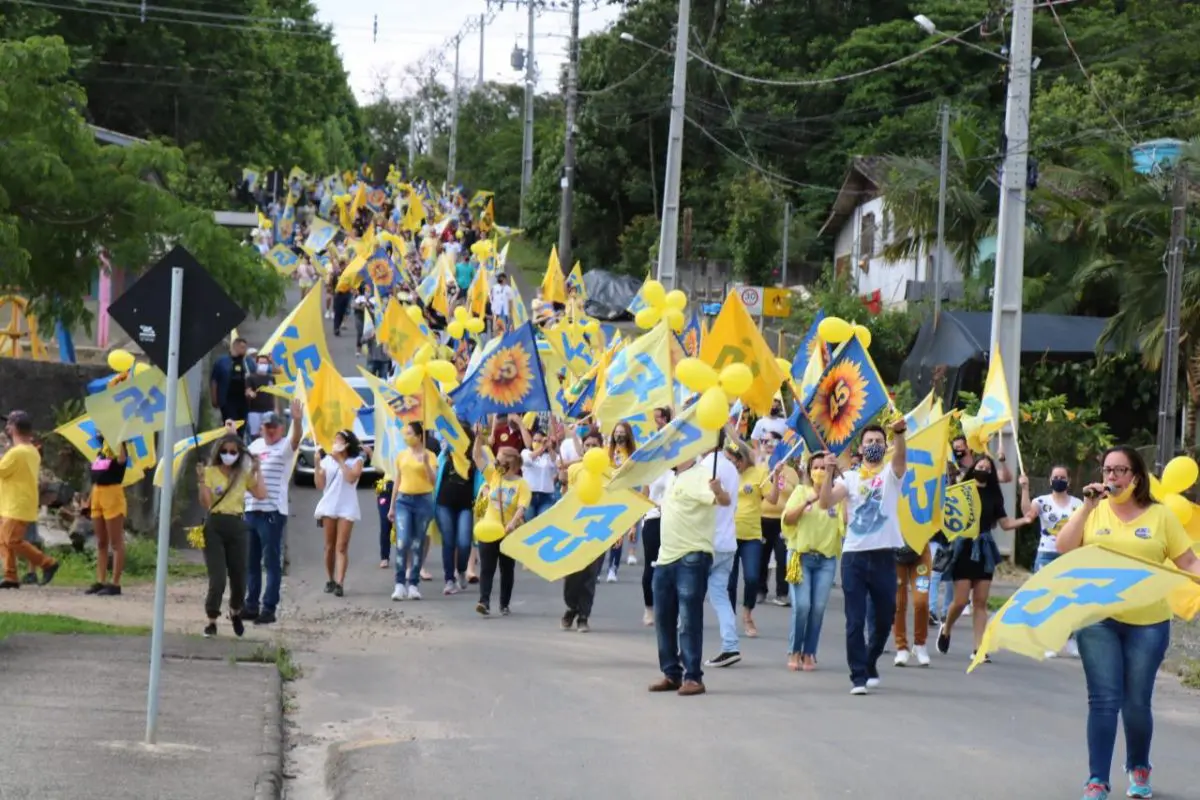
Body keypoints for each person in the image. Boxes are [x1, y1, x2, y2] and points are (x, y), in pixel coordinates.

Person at [1055, 446, 1200, 800]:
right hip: (1097, 619)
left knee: (1136, 702)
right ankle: (1097, 780)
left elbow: (1188, 562)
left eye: (1120, 471)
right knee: (1103, 699)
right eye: (1107, 470)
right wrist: (1087, 507)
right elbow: (1063, 547)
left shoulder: (1161, 517)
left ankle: (1139, 766)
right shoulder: (1092, 510)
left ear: (1137, 478)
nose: (1112, 477)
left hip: (1148, 623)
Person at [817, 420, 907, 695]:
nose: (874, 446)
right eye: (869, 442)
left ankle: (869, 660)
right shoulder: (851, 478)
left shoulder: (892, 475)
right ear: (861, 446)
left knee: (884, 618)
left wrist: (900, 435)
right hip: (854, 557)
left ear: (885, 446)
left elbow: (901, 459)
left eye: (879, 442)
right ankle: (858, 676)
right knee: (855, 620)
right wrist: (830, 472)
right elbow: (825, 502)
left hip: (883, 557)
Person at [936, 456, 1036, 660]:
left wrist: (1024, 520)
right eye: (979, 466)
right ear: (974, 468)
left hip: (984, 548)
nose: (983, 469)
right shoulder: (962, 490)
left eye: (987, 468)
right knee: (961, 600)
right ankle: (946, 628)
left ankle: (979, 648)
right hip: (963, 547)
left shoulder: (994, 495)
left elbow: (1005, 523)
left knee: (980, 601)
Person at [649, 454, 727, 696]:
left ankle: (693, 676)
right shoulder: (672, 477)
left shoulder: (702, 474)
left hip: (691, 557)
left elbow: (722, 500)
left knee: (689, 619)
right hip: (665, 558)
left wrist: (718, 490)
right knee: (663, 619)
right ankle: (671, 673)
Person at [198, 431, 267, 637]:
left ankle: (235, 611)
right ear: (219, 452)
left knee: (239, 577)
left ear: (239, 454)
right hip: (215, 525)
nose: (229, 455)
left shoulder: (243, 474)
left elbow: (261, 494)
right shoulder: (209, 472)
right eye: (225, 451)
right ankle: (212, 619)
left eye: (233, 452)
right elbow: (206, 503)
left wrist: (257, 470)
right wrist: (201, 480)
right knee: (217, 577)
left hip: (237, 525)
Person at [781, 451, 842, 671]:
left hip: (826, 560)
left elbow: (846, 523)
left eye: (824, 468)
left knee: (818, 608)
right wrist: (806, 503)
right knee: (803, 606)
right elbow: (787, 519)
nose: (819, 471)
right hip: (801, 556)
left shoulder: (836, 496)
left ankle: (809, 652)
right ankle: (794, 649)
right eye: (815, 467)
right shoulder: (801, 491)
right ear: (808, 471)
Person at [243, 404, 302, 626]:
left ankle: (269, 607)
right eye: (267, 426)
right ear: (261, 428)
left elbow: (295, 440)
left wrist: (297, 421)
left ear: (280, 429)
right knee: (251, 562)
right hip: (251, 509)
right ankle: (251, 604)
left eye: (274, 427)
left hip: (272, 512)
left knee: (271, 561)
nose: (270, 430)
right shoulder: (254, 446)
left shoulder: (284, 447)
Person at [1022, 463, 1085, 658]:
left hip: (1069, 556)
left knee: (1068, 598)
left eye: (1063, 477)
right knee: (1046, 598)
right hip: (1046, 553)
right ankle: (1048, 640)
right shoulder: (1041, 501)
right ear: (1050, 480)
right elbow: (1028, 515)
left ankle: (1069, 639)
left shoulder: (1078, 504)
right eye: (1056, 477)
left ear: (1069, 481)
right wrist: (1024, 489)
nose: (1059, 480)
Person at [0, 411, 59, 589]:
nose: (7, 427)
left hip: (15, 504)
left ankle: (47, 563)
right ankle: (10, 575)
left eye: (9, 425)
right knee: (4, 540)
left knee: (12, 540)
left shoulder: (16, 453)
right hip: (16, 502)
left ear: (14, 428)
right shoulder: (31, 451)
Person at [472, 440, 530, 616]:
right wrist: (477, 438)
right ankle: (484, 601)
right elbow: (477, 457)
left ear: (509, 464)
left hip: (508, 532)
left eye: (498, 461)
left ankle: (504, 603)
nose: (495, 464)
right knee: (487, 567)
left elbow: (522, 507)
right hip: (489, 529)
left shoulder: (521, 484)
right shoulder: (494, 476)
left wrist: (512, 523)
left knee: (506, 568)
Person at [560, 431, 607, 632]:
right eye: (586, 445)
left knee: (589, 575)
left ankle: (583, 616)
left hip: (597, 529)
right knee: (572, 575)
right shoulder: (574, 470)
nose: (589, 449)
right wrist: (562, 481)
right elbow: (565, 497)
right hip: (574, 527)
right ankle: (572, 607)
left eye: (594, 445)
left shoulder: (608, 473)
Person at [701, 440, 742, 669]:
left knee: (690, 595)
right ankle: (730, 645)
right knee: (720, 596)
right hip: (727, 541)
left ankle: (682, 645)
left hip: (707, 542)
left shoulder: (705, 466)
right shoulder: (731, 467)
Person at [389, 422, 438, 601]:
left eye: (410, 433)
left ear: (419, 436)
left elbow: (433, 481)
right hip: (404, 501)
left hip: (423, 501)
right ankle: (399, 584)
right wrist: (392, 505)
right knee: (402, 542)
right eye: (405, 433)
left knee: (418, 544)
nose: (406, 436)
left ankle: (414, 584)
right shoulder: (401, 456)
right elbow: (398, 480)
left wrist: (425, 464)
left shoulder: (430, 456)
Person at [314, 430, 365, 597]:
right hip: (329, 506)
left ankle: (340, 582)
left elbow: (351, 478)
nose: (335, 443)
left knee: (341, 546)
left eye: (339, 440)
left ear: (347, 443)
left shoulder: (356, 460)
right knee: (329, 546)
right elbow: (320, 485)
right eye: (334, 440)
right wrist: (316, 465)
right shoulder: (327, 461)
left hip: (347, 506)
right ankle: (330, 579)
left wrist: (341, 461)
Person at [725, 439, 766, 638]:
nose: (733, 465)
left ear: (743, 459)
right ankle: (730, 619)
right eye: (730, 461)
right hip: (730, 536)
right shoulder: (725, 474)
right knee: (730, 582)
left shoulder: (759, 473)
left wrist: (779, 480)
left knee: (751, 578)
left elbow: (773, 498)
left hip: (752, 535)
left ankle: (748, 614)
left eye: (736, 461)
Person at [434, 426, 476, 595]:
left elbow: (485, 474)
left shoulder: (474, 458)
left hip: (466, 504)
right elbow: (435, 473)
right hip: (444, 503)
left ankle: (461, 570)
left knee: (464, 542)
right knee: (449, 541)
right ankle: (449, 579)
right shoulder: (445, 456)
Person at [759, 437, 799, 606]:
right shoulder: (760, 469)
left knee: (783, 557)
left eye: (774, 442)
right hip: (762, 519)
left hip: (783, 521)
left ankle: (782, 594)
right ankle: (760, 591)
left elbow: (797, 494)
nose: (769, 445)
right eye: (765, 441)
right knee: (761, 557)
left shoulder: (791, 472)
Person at [87, 437, 127, 595]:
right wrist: (89, 499)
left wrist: (118, 440)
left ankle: (115, 583)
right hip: (98, 493)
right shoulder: (101, 451)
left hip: (112, 493)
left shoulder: (119, 446)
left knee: (116, 542)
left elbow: (122, 460)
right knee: (101, 541)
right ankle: (100, 580)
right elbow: (95, 477)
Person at [641, 465, 676, 626]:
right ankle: (649, 608)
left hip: (676, 520)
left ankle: (672, 610)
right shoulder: (652, 468)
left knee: (674, 566)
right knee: (651, 565)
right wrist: (635, 524)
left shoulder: (682, 469)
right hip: (653, 518)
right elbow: (643, 496)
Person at [892, 539, 932, 668]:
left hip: (920, 553)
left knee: (921, 601)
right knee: (898, 603)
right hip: (896, 554)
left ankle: (920, 644)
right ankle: (901, 647)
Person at [606, 421, 638, 581]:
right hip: (608, 496)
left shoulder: (632, 453)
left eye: (622, 432)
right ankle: (598, 570)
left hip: (625, 495)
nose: (618, 435)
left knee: (617, 534)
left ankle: (613, 568)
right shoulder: (608, 452)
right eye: (616, 432)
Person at [209, 338, 251, 431]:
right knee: (230, 426)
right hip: (227, 400)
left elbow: (254, 377)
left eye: (245, 348)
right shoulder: (222, 362)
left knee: (241, 427)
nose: (244, 350)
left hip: (243, 401)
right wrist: (214, 399)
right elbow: (214, 380)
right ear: (235, 347)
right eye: (242, 347)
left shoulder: (248, 362)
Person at [521, 425, 557, 520]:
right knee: (529, 524)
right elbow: (527, 460)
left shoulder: (549, 456)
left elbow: (555, 463)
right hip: (529, 496)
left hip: (546, 496)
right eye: (534, 440)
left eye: (540, 441)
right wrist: (541, 448)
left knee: (543, 523)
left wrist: (549, 448)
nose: (536, 443)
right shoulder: (525, 452)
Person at [245, 352, 278, 440]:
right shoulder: (250, 378)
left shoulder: (271, 378)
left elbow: (274, 393)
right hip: (254, 411)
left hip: (268, 410)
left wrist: (276, 408)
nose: (263, 365)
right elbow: (248, 390)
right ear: (257, 364)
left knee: (269, 432)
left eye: (265, 363)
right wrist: (250, 393)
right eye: (261, 363)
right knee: (255, 434)